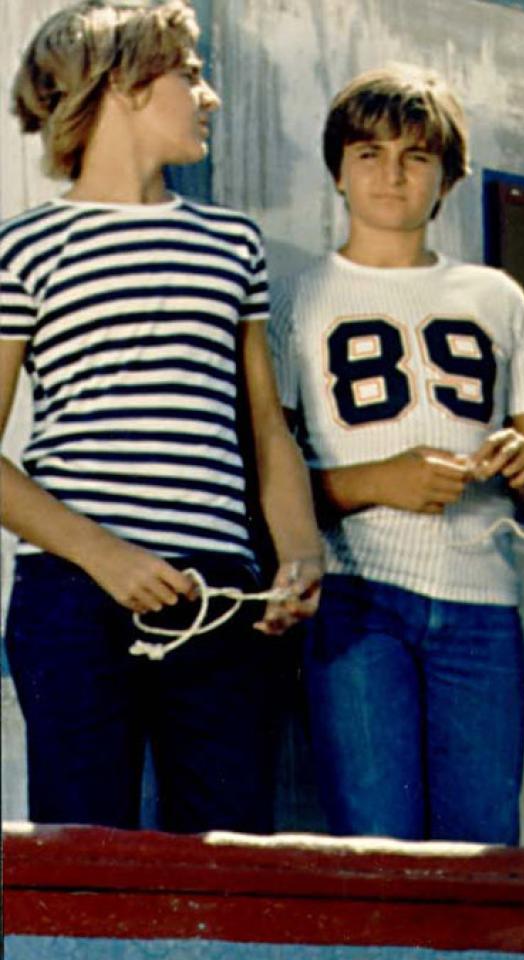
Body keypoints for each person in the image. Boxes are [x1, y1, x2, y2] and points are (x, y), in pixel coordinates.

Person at [0, 0, 321, 833]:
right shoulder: (25, 246)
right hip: (74, 597)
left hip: (222, 597)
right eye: (189, 74)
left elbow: (266, 429)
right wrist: (105, 556)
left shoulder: (230, 244)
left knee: (229, 855)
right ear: (125, 85)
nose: (208, 96)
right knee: (85, 852)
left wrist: (296, 553)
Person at [271, 65, 524, 844]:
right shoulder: (298, 297)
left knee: (482, 844)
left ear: (448, 176)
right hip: (361, 596)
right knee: (376, 842)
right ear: (337, 170)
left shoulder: (495, 296)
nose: (392, 174)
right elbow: (272, 468)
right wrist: (374, 481)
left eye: (416, 156)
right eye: (369, 153)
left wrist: (523, 464)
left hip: (480, 601)